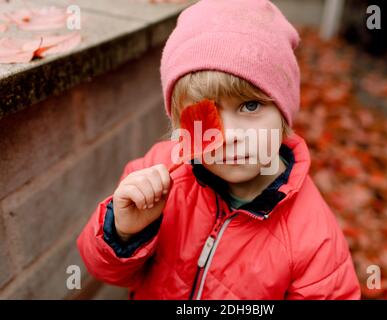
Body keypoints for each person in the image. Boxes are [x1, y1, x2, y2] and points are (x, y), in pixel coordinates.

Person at [77, 0, 361, 300]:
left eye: (250, 106)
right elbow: (107, 272)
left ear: (283, 113)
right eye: (205, 113)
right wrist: (124, 233)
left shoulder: (314, 240)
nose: (228, 136)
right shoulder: (157, 175)